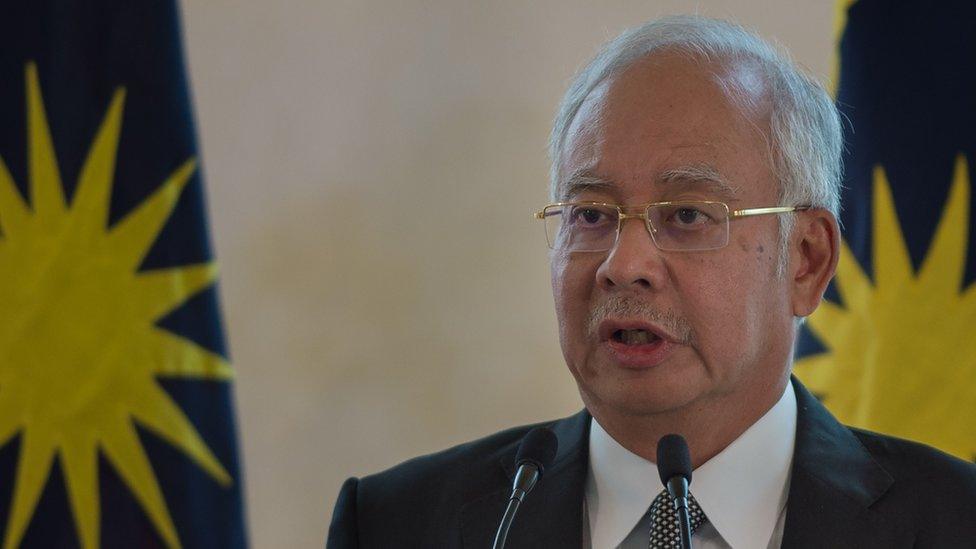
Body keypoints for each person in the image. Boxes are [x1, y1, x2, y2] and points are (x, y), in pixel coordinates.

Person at [326, 15, 976, 548]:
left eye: (687, 215)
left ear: (805, 260)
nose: (623, 262)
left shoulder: (954, 522)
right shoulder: (396, 524)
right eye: (590, 214)